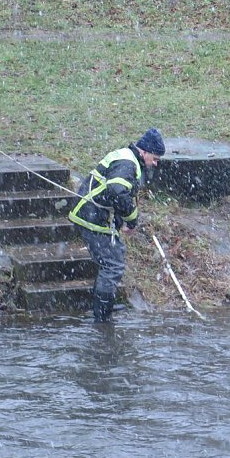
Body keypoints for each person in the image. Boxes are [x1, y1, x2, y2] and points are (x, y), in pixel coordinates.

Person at [68, 128, 165, 322]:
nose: (155, 163)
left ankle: (103, 305)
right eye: (154, 158)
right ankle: (102, 316)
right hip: (92, 217)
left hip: (92, 214)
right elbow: (117, 191)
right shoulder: (128, 164)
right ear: (144, 151)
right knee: (113, 265)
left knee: (110, 260)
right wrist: (131, 219)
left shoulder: (128, 158)